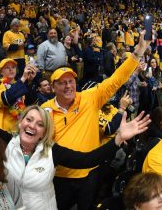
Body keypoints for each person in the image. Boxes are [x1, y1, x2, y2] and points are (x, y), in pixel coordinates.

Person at [0, 68, 150, 210]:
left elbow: (88, 159)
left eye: (39, 123)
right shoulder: (7, 144)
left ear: (44, 130)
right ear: (21, 123)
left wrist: (118, 139)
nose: (33, 125)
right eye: (29, 120)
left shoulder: (52, 151)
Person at [41, 31, 151, 210]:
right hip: (59, 177)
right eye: (62, 82)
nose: (68, 86)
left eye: (71, 81)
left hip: (90, 173)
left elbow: (116, 80)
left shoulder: (89, 98)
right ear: (53, 87)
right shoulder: (44, 111)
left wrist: (138, 51)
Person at [0, 58, 37, 132]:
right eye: (7, 67)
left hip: (19, 128)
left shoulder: (20, 84)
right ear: (1, 72)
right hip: (3, 130)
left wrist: (30, 82)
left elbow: (30, 104)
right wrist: (23, 78)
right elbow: (5, 99)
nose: (11, 69)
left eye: (13, 67)